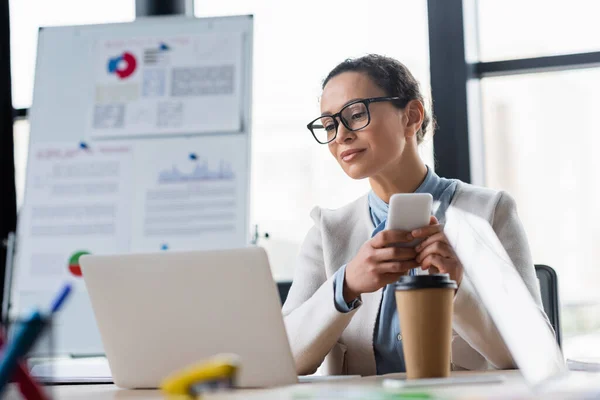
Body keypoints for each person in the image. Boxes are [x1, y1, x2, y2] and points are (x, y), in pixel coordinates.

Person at [281, 54, 551, 376]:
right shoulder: (328, 232)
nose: (340, 135)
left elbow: (536, 352)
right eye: (329, 125)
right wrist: (346, 285)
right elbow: (283, 359)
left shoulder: (490, 213)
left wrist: (458, 287)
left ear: (411, 116)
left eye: (355, 114)